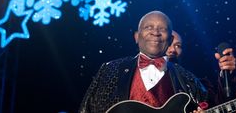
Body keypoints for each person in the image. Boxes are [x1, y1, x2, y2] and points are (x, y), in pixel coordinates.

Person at [79, 11, 211, 113]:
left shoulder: (188, 79)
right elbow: (85, 109)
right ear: (137, 36)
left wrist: (229, 74)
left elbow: (213, 104)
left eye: (162, 29)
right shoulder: (109, 70)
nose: (155, 32)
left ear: (170, 40)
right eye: (149, 27)